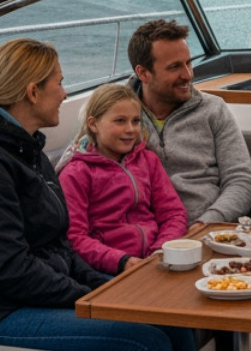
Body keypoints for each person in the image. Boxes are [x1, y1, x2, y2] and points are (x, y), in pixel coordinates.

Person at [0, 38, 212, 351]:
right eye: (59, 82)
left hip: (46, 294)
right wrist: (87, 297)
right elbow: (11, 270)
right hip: (4, 315)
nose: (64, 92)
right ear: (32, 91)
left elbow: (61, 246)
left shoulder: (27, 150)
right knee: (145, 342)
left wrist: (106, 286)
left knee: (166, 317)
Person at [128, 19, 251, 224]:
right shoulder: (114, 114)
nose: (187, 75)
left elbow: (241, 181)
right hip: (142, 235)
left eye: (188, 63)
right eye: (174, 67)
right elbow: (77, 165)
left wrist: (205, 223)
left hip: (206, 229)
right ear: (143, 73)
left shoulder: (214, 109)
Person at [58, 83, 188, 275]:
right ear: (93, 124)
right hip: (108, 269)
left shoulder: (148, 161)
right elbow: (74, 237)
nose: (131, 129)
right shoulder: (76, 173)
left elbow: (173, 213)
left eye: (135, 121)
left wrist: (161, 249)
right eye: (120, 121)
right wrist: (122, 261)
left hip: (156, 259)